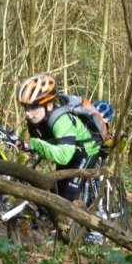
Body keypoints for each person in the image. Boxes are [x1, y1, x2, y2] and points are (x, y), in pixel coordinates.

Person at [16, 74, 104, 243]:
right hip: (69, 150)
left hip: (85, 150)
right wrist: (29, 145)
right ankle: (60, 231)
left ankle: (95, 231)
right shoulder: (37, 120)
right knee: (57, 193)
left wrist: (35, 144)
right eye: (25, 108)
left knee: (68, 198)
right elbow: (48, 143)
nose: (28, 114)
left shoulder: (61, 120)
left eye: (33, 108)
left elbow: (63, 157)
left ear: (49, 105)